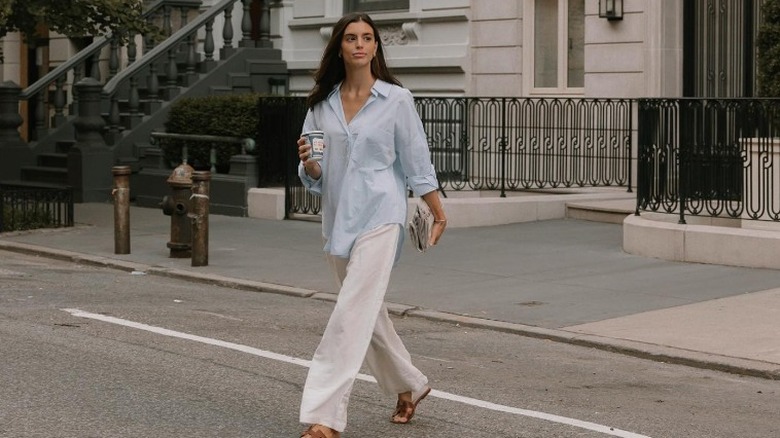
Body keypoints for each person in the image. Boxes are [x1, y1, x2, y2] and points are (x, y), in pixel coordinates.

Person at [296, 12, 447, 438]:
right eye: (350, 38)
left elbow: (417, 162)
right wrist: (309, 163)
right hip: (339, 220)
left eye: (367, 38)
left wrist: (438, 210)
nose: (359, 44)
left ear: (376, 47)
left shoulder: (397, 100)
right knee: (367, 315)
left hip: (382, 216)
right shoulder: (320, 107)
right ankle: (410, 385)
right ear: (339, 48)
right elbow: (314, 175)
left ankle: (325, 417)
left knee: (349, 314)